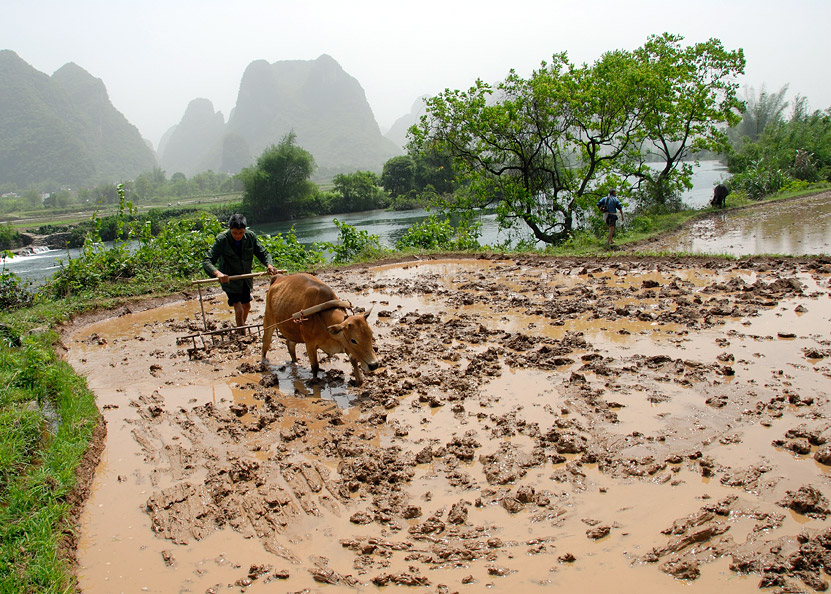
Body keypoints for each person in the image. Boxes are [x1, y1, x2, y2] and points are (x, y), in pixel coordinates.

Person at [203, 214, 278, 328]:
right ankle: (241, 334)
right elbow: (207, 260)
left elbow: (263, 253)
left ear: (245, 229)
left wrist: (269, 265)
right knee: (239, 309)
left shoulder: (250, 237)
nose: (238, 236)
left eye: (241, 233)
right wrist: (218, 273)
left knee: (247, 306)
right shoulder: (222, 240)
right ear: (229, 228)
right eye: (234, 233)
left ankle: (240, 327)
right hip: (230, 280)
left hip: (245, 278)